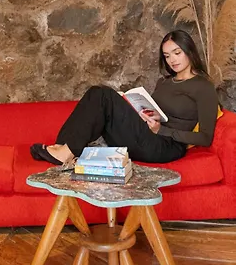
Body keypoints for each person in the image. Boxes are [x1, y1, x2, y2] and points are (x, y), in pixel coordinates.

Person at [30, 30, 219, 165]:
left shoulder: (203, 87)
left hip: (165, 146)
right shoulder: (164, 82)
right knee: (96, 93)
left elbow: (205, 137)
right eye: (167, 56)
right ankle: (63, 147)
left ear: (189, 51)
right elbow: (161, 114)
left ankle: (65, 151)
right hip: (147, 135)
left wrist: (162, 130)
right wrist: (146, 114)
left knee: (103, 95)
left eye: (177, 53)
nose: (172, 60)